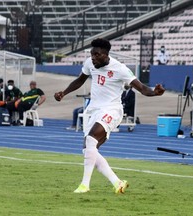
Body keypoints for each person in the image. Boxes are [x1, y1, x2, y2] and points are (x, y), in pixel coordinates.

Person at [54, 38, 165, 194]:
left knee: (91, 140)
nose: (93, 58)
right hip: (93, 110)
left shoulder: (120, 69)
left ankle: (84, 185)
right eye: (92, 55)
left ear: (106, 55)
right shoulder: (89, 63)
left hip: (112, 110)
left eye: (97, 55)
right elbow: (80, 80)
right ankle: (117, 183)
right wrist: (63, 93)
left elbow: (141, 88)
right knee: (89, 151)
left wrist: (154, 92)